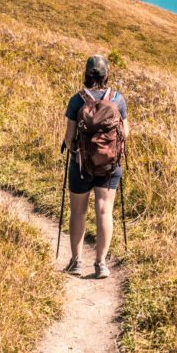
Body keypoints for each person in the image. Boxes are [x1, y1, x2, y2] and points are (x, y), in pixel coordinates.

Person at [62, 54, 128, 279]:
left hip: (81, 165)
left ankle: (76, 262)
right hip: (110, 166)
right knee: (104, 211)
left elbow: (70, 138)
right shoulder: (118, 99)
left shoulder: (77, 100)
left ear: (86, 75)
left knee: (78, 213)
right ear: (107, 74)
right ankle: (101, 264)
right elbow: (125, 134)